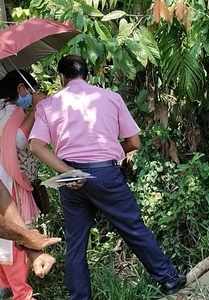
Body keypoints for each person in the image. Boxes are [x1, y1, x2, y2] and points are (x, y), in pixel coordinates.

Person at [29, 55, 186, 300]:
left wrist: (68, 171)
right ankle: (169, 279)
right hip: (105, 172)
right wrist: (107, 155)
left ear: (61, 78)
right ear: (88, 75)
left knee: (76, 243)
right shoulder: (111, 98)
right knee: (133, 228)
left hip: (68, 177)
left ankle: (79, 297)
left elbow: (36, 146)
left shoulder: (48, 105)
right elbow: (134, 142)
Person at [0, 71, 57, 299]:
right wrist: (36, 109)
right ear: (22, 90)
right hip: (10, 182)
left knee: (6, 238)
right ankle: (20, 290)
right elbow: (20, 141)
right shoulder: (13, 111)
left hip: (4, 180)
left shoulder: (2, 109)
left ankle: (7, 285)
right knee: (15, 233)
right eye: (31, 90)